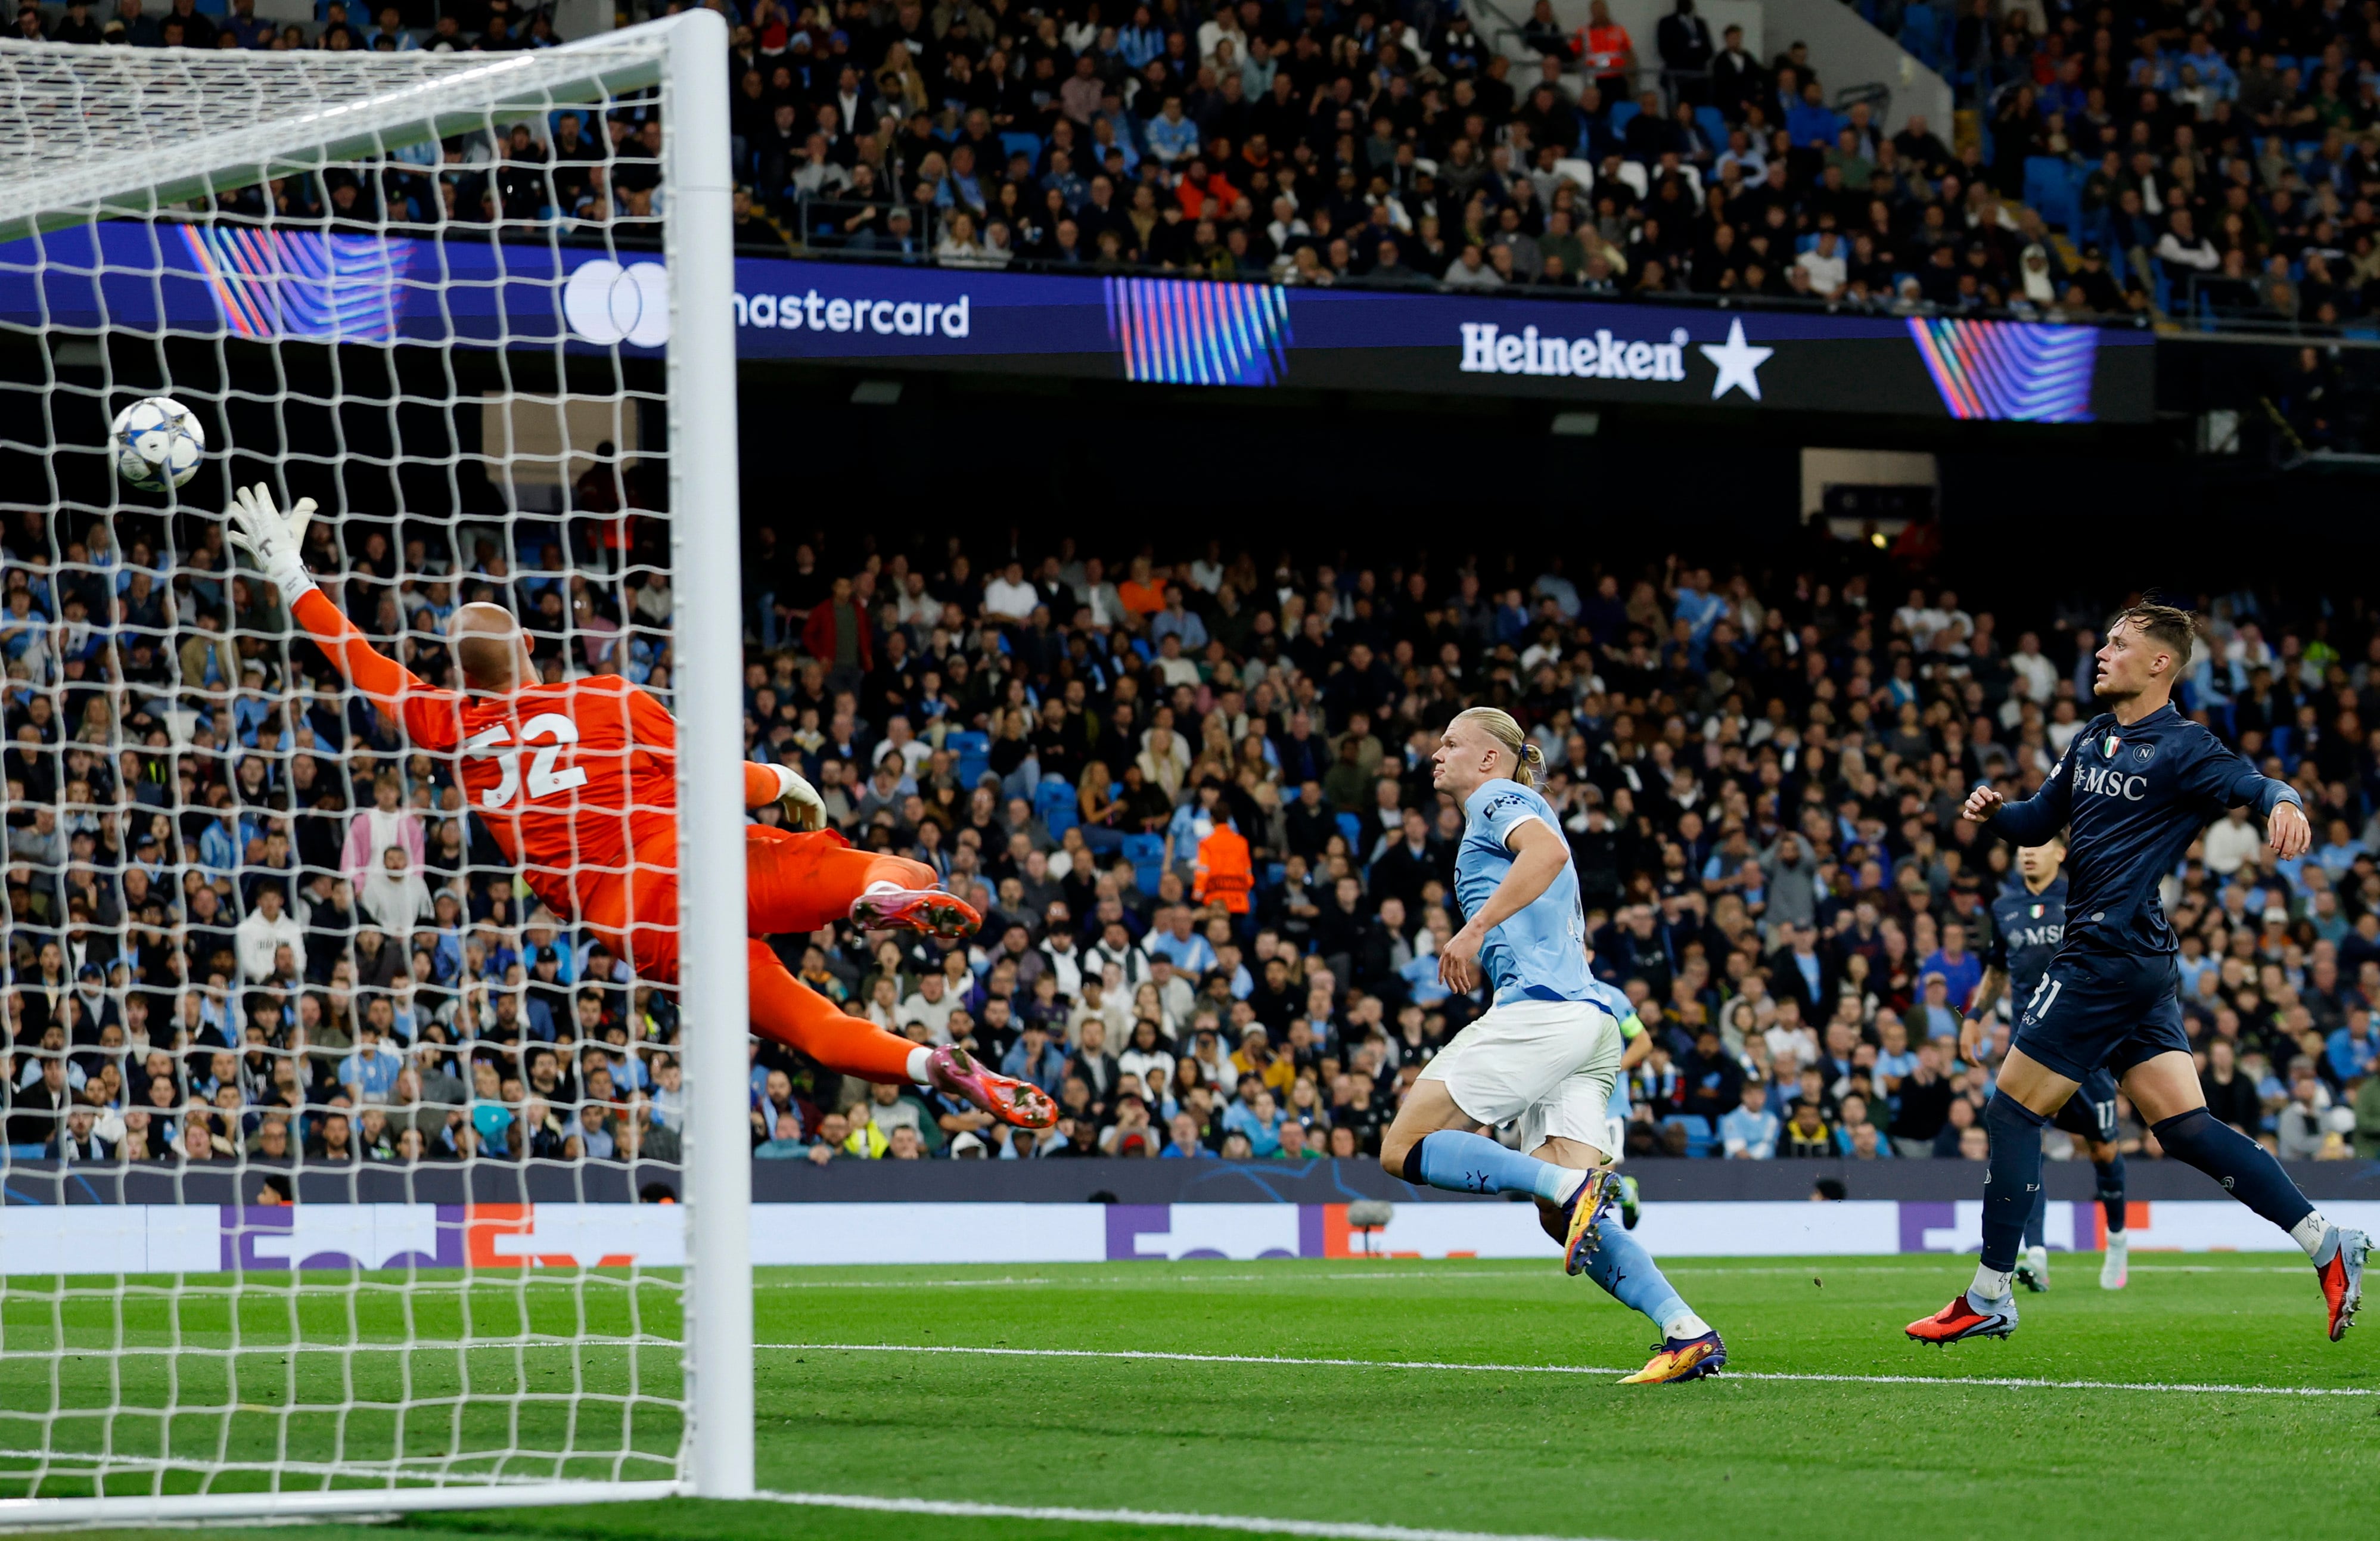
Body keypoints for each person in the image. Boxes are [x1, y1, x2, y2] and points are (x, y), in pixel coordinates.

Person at [225, 486, 1054, 1130]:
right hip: (699, 856)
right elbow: (717, 778)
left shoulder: (453, 728)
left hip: (636, 921)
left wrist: (290, 573)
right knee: (902, 869)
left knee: (810, 1025)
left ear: (463, 678)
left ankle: (931, 1067)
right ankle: (878, 899)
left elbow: (365, 664)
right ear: (531, 648)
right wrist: (785, 782)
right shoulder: (605, 697)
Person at [1908, 602, 2364, 1347]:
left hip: (2105, 956)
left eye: (2118, 644)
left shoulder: (2184, 747)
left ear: (2159, 663)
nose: (2101, 653)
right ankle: (2325, 1241)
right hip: (2139, 962)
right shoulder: (2092, 737)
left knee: (2013, 1112)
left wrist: (2285, 801)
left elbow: (2252, 784)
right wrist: (1996, 812)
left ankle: (1989, 1294)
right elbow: (2036, 820)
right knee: (2185, 1129)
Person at [1377, 707, 1723, 1385]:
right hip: (1588, 1024)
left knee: (1402, 1148)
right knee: (1559, 1220)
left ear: (1489, 758)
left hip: (1543, 1013)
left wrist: (1473, 929)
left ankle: (1573, 1183)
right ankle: (1687, 1331)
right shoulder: (1508, 808)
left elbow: (1548, 854)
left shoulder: (1496, 799)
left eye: (1450, 743)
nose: (1436, 754)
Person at [1965, 831, 2130, 1291]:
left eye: (2037, 846)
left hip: (2084, 1042)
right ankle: (2035, 1255)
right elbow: (1998, 967)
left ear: (2060, 853)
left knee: (2103, 1149)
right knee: (2026, 1140)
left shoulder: (2082, 896)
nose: (2028, 853)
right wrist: (1975, 1015)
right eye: (2023, 847)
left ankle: (2117, 1239)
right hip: (2031, 1044)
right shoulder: (2005, 907)